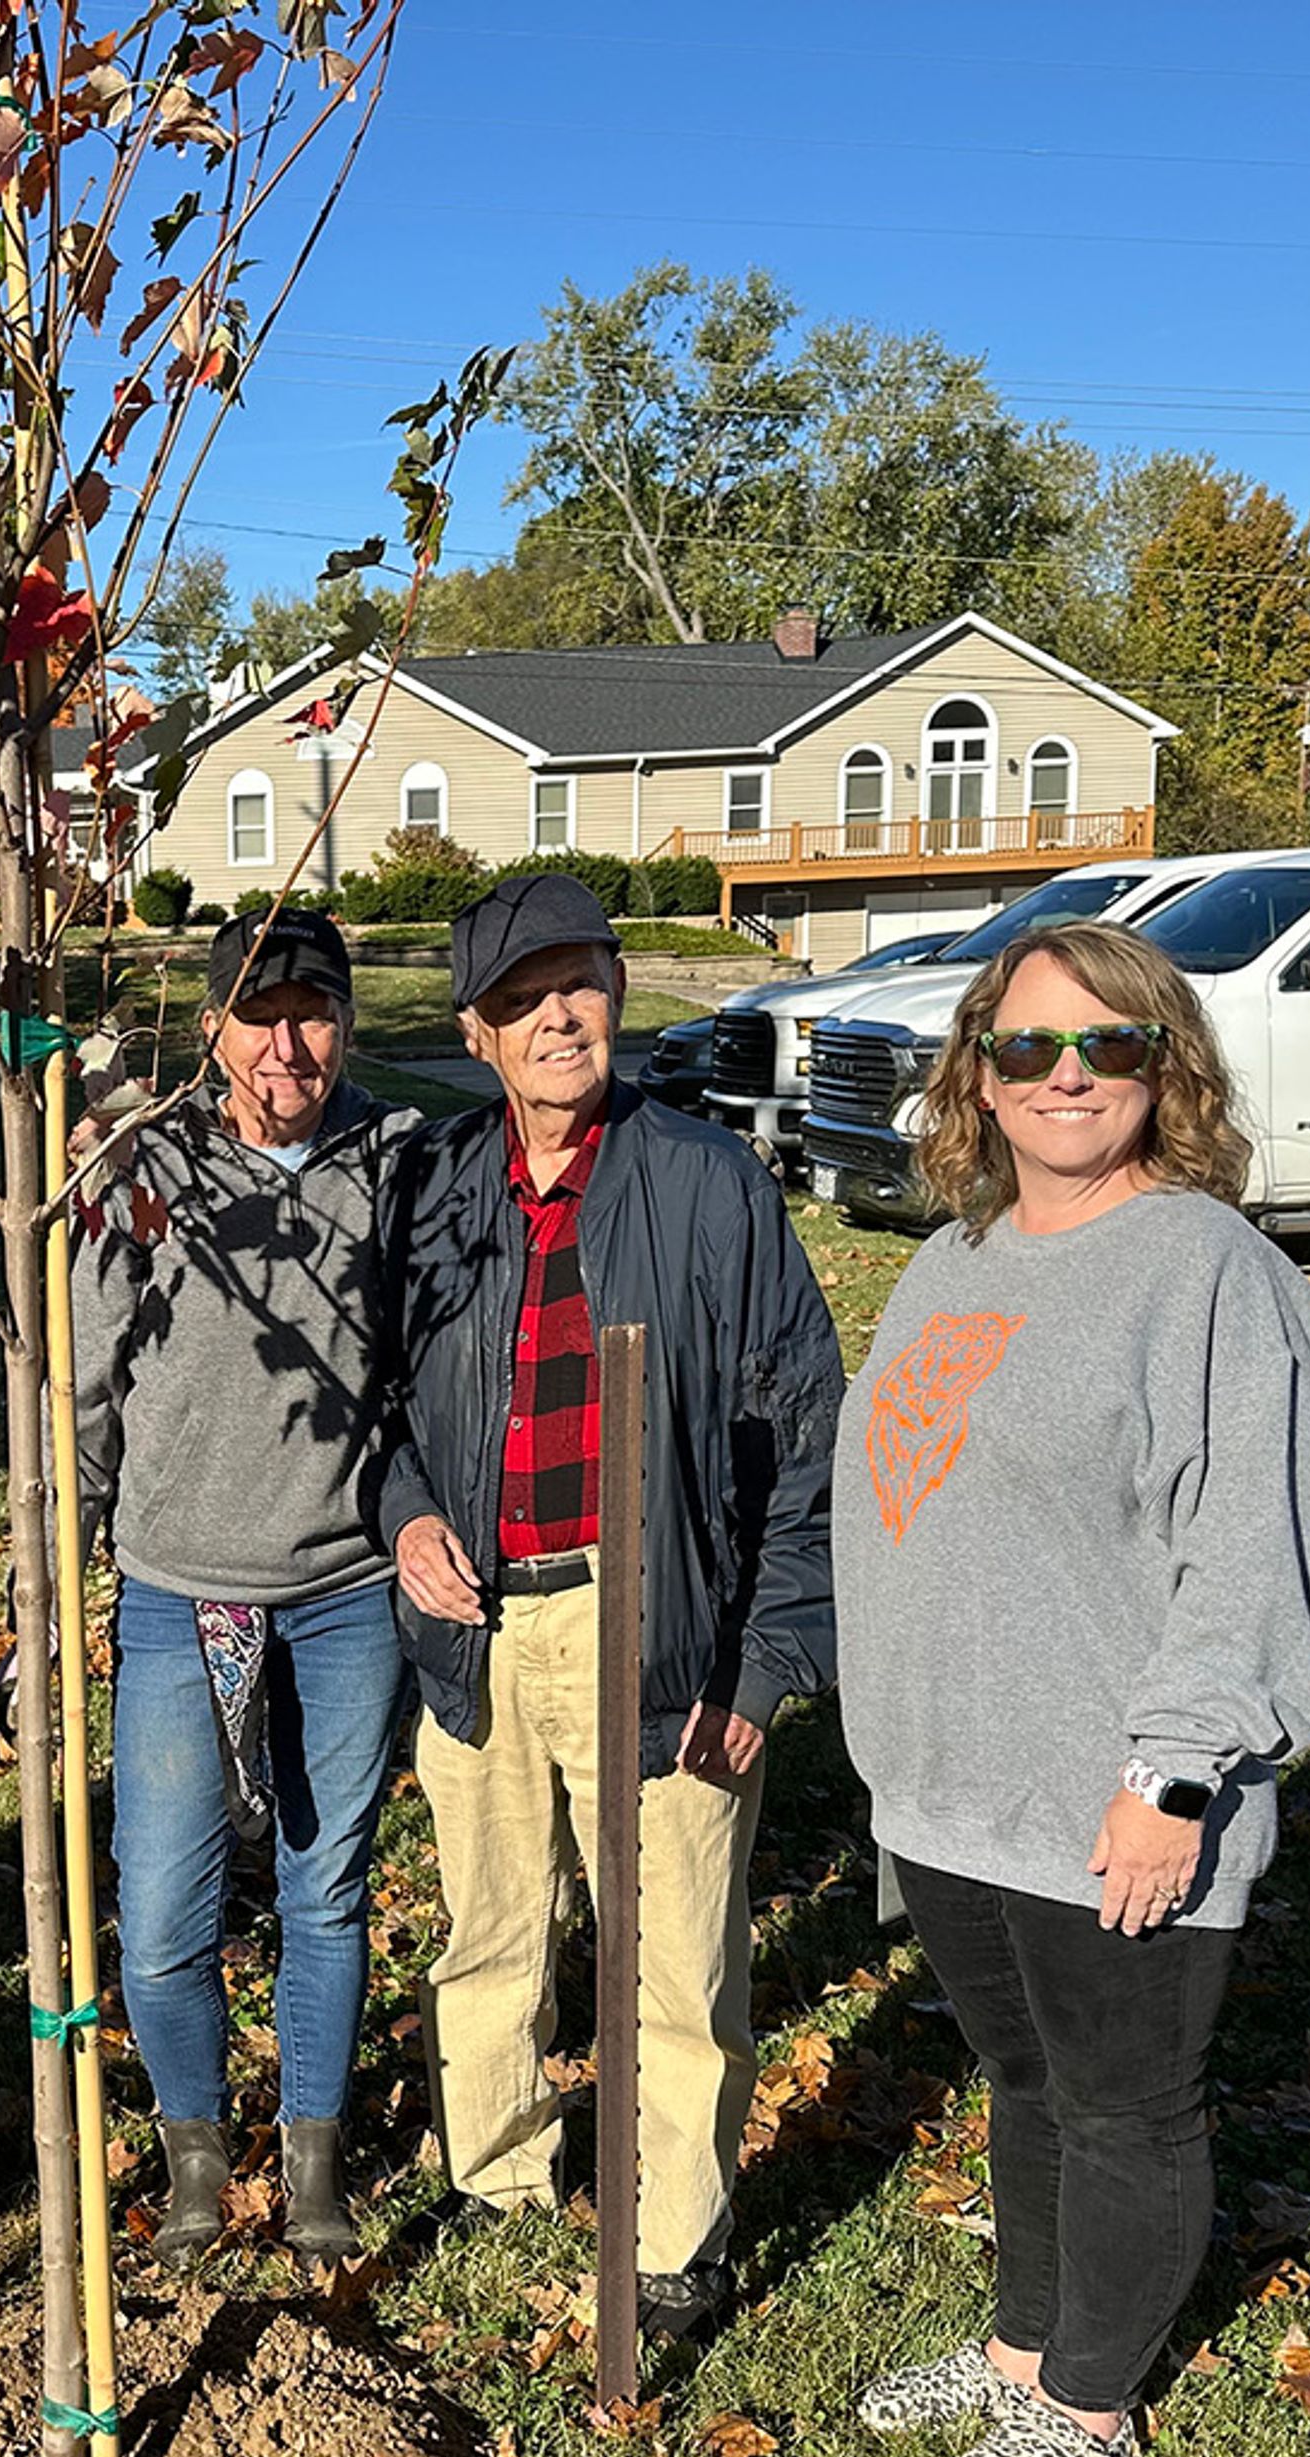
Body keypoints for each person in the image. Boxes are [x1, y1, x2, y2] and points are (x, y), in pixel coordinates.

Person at [831, 915, 1310, 2457]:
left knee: (1125, 2102)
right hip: (953, 1785)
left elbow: (1254, 1550)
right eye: (1030, 1046)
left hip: (1112, 1790)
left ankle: (1091, 2398)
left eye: (1107, 1046)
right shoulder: (959, 1250)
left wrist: (1173, 1777)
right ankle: (1019, 2348)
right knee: (1025, 2077)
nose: (1067, 1078)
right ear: (975, 1073)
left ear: (1164, 1068)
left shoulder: (1208, 1273)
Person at [376, 872, 843, 2340]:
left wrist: (761, 1664)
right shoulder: (436, 1186)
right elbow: (376, 1404)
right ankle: (502, 2167)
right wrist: (404, 1521)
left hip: (656, 1623)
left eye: (576, 981)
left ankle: (676, 2232)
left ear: (618, 992)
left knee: (676, 1953)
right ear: (477, 1034)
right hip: (480, 1627)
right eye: (521, 999)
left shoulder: (705, 1183)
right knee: (491, 1926)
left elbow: (802, 1427)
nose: (555, 1015)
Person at [70, 908, 415, 2269]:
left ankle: (317, 2158)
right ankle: (199, 2159)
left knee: (326, 1888)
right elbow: (85, 1381)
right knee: (162, 1910)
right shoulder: (141, 1170)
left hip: (345, 1587)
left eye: (314, 1010)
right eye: (258, 1011)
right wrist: (75, 1532)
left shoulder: (399, 1163)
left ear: (345, 1022)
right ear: (210, 1025)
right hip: (176, 1590)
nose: (287, 1042)